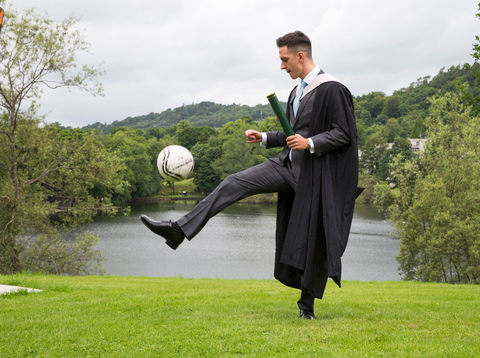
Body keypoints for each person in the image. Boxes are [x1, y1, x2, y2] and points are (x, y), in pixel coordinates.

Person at [140, 30, 359, 320]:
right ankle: (178, 229)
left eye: (285, 60)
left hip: (314, 177)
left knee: (310, 239)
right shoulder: (297, 92)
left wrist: (311, 143)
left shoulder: (332, 89)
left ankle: (307, 308)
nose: (282, 66)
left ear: (300, 55)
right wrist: (266, 136)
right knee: (234, 182)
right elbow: (293, 134)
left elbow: (344, 133)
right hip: (286, 166)